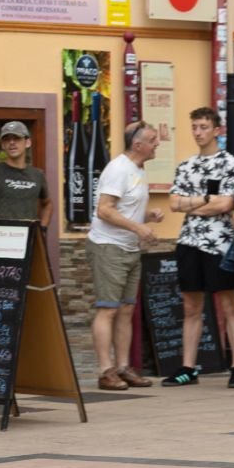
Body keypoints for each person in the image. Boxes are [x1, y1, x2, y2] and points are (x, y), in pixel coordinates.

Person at [163, 107, 234, 386]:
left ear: (216, 130)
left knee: (229, 303)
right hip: (189, 241)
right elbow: (173, 204)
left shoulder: (229, 164)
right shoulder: (185, 166)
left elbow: (226, 204)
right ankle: (188, 366)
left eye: (203, 127)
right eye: (195, 127)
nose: (198, 132)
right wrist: (206, 201)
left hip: (220, 243)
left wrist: (193, 203)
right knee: (191, 306)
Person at [86, 123, 166, 392]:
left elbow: (125, 210)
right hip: (109, 247)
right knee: (107, 308)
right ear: (137, 144)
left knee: (126, 309)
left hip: (129, 248)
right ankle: (105, 371)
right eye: (153, 140)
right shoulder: (118, 169)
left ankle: (123, 367)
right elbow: (104, 211)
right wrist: (139, 228)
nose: (158, 144)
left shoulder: (138, 169)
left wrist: (147, 216)